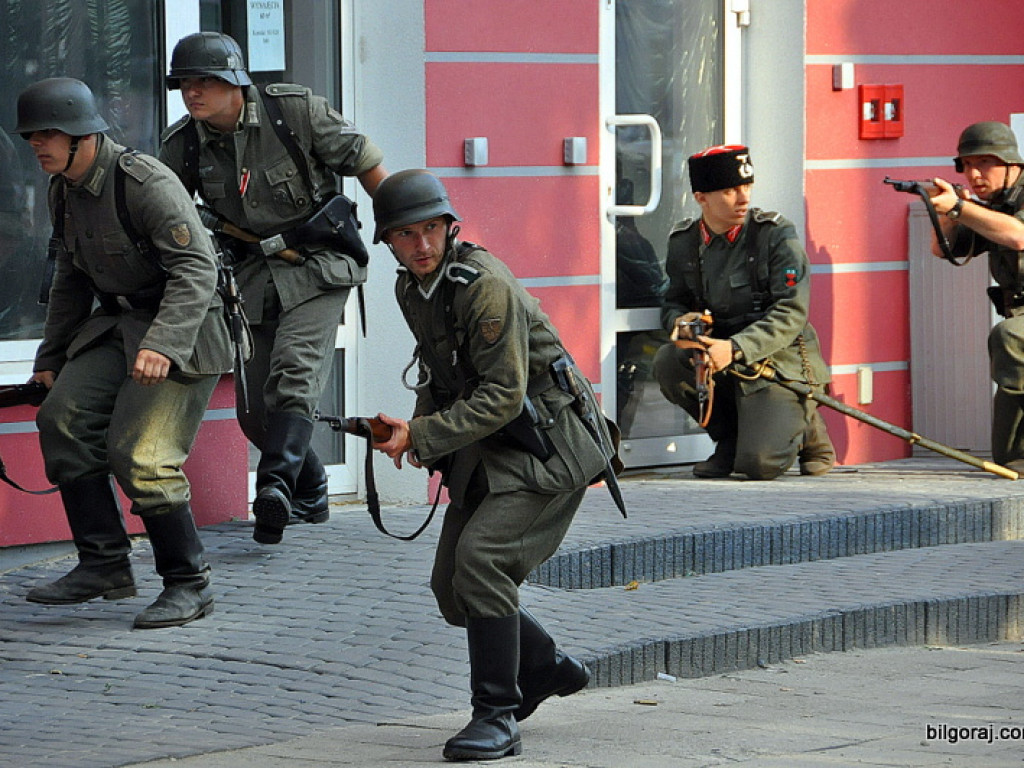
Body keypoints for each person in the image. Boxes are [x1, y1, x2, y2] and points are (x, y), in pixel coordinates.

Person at [370, 170, 613, 761]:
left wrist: (423, 434)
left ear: (451, 228)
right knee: (452, 591)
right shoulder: (413, 289)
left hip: (549, 450)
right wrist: (415, 434)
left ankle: (498, 716)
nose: (422, 245)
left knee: (481, 562)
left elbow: (505, 394)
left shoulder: (484, 285)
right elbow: (438, 373)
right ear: (389, 243)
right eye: (406, 235)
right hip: (489, 451)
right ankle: (546, 667)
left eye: (432, 230)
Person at [13, 77, 234, 628]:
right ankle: (104, 564)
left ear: (81, 135)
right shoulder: (62, 185)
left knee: (141, 452)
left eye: (47, 135)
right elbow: (68, 277)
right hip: (117, 324)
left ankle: (189, 582)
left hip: (183, 327)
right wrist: (50, 356)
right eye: (32, 136)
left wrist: (163, 343)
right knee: (62, 420)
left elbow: (197, 269)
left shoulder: (142, 181)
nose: (36, 145)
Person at [159, 32, 387, 545]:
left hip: (320, 263)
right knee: (255, 411)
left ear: (236, 82)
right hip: (255, 273)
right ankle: (309, 489)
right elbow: (160, 213)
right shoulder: (184, 145)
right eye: (184, 84)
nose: (192, 93)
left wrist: (402, 228)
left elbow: (367, 162)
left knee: (293, 373)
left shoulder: (292, 112)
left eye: (205, 82)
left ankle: (274, 489)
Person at [652, 144, 834, 480]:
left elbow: (791, 312)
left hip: (781, 361)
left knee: (760, 465)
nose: (743, 198)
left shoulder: (774, 236)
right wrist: (679, 321)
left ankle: (808, 423)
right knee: (668, 361)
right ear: (701, 197)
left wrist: (735, 348)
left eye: (746, 187)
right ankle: (730, 441)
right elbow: (673, 300)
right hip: (721, 357)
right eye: (730, 190)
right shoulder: (683, 243)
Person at [928, 121, 1024, 471]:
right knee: (1005, 460)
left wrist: (959, 208)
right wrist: (945, 214)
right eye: (967, 165)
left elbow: (1018, 237)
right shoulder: (990, 205)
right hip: (1019, 313)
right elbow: (943, 251)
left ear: (1012, 164)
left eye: (984, 163)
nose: (974, 173)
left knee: (1010, 337)